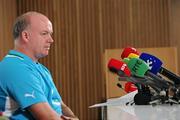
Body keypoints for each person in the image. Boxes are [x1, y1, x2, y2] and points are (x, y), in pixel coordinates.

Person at [0, 11, 79, 120]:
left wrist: (73, 118)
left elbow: (60, 105)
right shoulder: (15, 68)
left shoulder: (41, 69)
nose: (51, 40)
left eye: (50, 34)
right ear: (26, 36)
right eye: (44, 33)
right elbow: (48, 117)